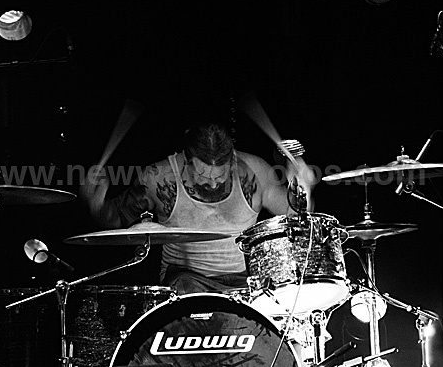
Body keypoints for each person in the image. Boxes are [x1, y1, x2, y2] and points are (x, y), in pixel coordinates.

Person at [82, 121, 315, 295]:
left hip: (242, 280)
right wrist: (95, 204)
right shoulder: (159, 177)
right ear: (187, 160)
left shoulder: (255, 172)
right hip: (184, 279)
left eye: (220, 176)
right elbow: (114, 220)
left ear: (231, 161)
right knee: (187, 290)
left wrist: (303, 191)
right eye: (203, 175)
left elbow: (296, 215)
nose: (212, 183)